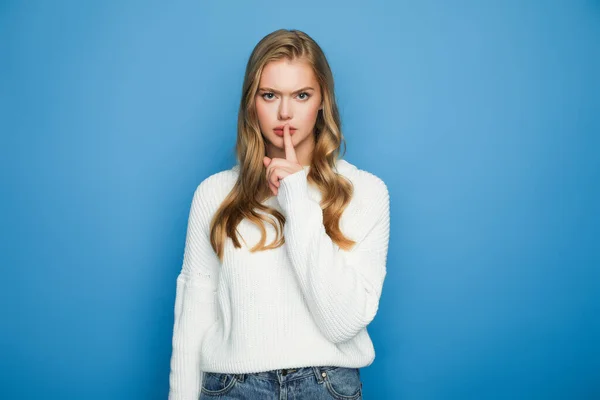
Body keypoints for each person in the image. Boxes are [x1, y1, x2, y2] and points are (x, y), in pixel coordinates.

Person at [168, 28, 391, 400]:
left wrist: (296, 199)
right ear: (251, 101)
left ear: (322, 102)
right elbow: (194, 318)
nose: (284, 113)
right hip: (233, 388)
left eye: (301, 95)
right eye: (269, 95)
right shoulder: (215, 194)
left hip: (326, 387)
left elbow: (343, 321)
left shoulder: (366, 193)